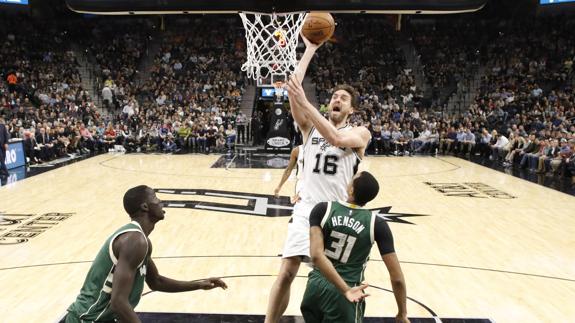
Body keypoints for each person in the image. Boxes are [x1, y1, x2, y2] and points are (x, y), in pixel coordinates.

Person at [265, 35, 371, 323]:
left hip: (338, 214)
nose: (337, 99)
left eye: (343, 98)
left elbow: (336, 138)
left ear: (352, 109)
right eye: (334, 96)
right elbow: (292, 89)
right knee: (287, 272)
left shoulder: (360, 134)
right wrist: (310, 48)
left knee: (334, 282)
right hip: (307, 209)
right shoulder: (309, 129)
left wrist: (307, 103)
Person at [62, 186, 227, 323]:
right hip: (88, 319)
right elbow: (118, 302)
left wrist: (198, 284)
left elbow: (156, 281)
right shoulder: (135, 241)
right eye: (155, 198)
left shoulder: (141, 241)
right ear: (145, 207)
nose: (160, 201)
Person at [301, 171, 409, 323]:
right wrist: (402, 313)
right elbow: (397, 278)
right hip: (346, 292)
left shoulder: (323, 209)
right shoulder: (376, 224)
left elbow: (317, 256)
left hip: (315, 288)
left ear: (351, 190)